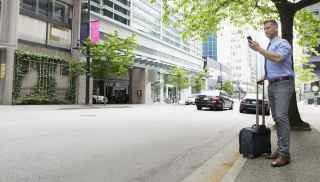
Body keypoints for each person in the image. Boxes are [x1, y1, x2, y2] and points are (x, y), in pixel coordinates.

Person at [249, 20, 295, 167]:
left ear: (276, 28)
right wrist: (265, 76)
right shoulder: (270, 45)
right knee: (276, 118)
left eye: (268, 28)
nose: (266, 31)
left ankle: (285, 154)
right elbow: (273, 66)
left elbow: (278, 58)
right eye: (264, 29)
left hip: (283, 83)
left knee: (281, 117)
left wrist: (259, 49)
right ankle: (280, 149)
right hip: (273, 84)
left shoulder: (283, 43)